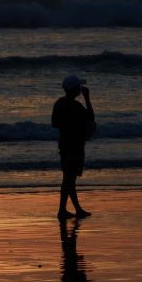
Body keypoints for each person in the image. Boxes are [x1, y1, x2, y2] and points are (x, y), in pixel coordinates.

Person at [51, 75, 95, 220]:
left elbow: (55, 123)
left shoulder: (59, 103)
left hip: (64, 144)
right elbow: (91, 118)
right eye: (79, 88)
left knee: (68, 179)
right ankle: (64, 210)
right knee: (69, 180)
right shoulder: (76, 106)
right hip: (75, 145)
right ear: (75, 89)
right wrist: (87, 98)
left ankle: (71, 209)